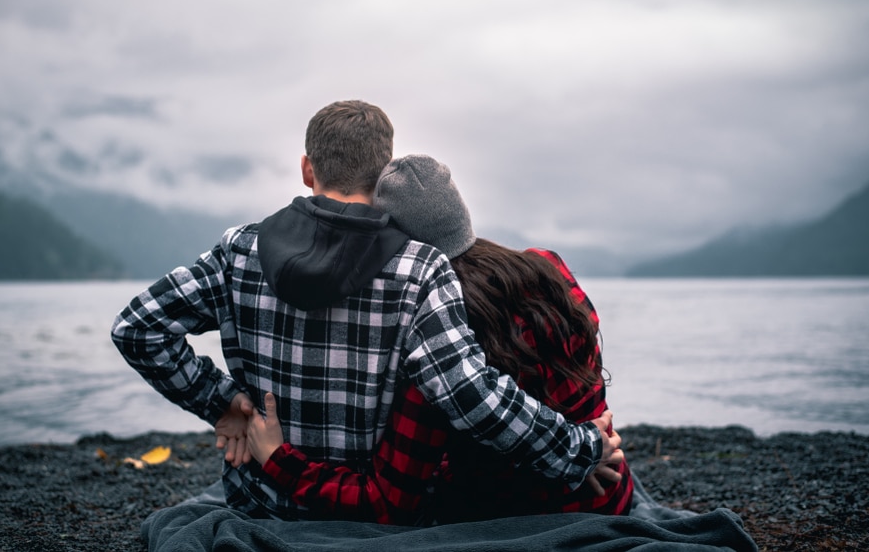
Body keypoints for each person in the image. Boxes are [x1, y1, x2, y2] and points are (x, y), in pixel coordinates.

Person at [112, 101, 622, 521]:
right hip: (372, 516)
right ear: (382, 180)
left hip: (259, 501)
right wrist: (577, 448)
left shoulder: (239, 251)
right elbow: (469, 393)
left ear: (307, 168)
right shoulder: (420, 270)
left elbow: (137, 328)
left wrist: (222, 403)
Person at [245, 154, 632, 524]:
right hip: (611, 497)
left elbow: (386, 503)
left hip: (520, 526)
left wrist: (279, 460)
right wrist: (586, 449)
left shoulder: (438, 339)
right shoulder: (548, 267)